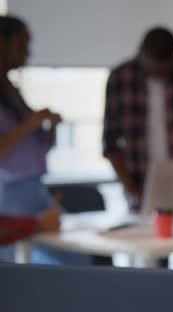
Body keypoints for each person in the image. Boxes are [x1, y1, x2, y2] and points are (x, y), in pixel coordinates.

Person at [0, 16, 87, 264]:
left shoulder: (10, 90)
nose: (28, 52)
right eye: (22, 43)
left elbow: (33, 148)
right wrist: (29, 123)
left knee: (72, 262)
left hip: (34, 188)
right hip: (10, 194)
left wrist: (48, 129)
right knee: (10, 269)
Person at [103, 27, 173, 212]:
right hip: (138, 179)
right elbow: (110, 143)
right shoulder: (120, 77)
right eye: (153, 65)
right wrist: (131, 189)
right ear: (141, 53)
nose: (158, 72)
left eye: (164, 68)